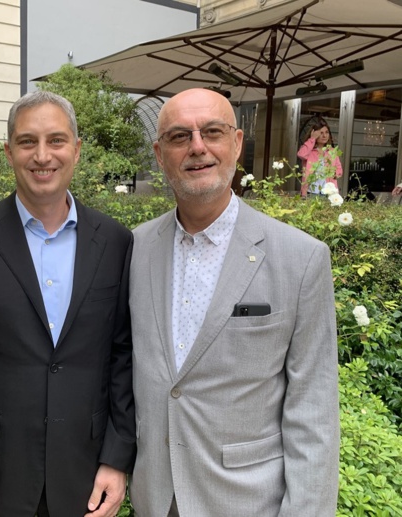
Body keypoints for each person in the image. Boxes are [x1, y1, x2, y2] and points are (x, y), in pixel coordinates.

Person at [0, 91, 136, 517]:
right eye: (27, 142)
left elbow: (122, 357)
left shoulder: (114, 240)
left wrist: (117, 456)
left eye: (56, 141)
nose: (42, 155)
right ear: (8, 152)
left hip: (85, 473)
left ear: (76, 150)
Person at [128, 88, 340, 516]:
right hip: (155, 496)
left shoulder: (300, 259)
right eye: (178, 136)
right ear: (159, 153)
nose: (197, 147)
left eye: (212, 132)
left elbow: (313, 412)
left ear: (237, 143)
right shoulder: (134, 249)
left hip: (246, 501)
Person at [297, 119, 343, 197]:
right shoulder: (309, 151)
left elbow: (339, 170)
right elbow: (301, 154)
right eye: (321, 133)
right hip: (311, 191)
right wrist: (312, 139)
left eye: (326, 132)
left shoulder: (332, 151)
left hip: (328, 192)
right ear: (315, 134)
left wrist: (334, 173)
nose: (324, 136)